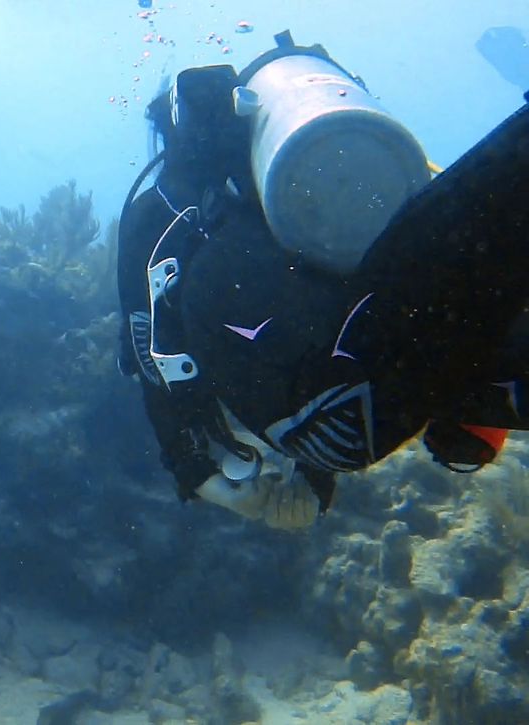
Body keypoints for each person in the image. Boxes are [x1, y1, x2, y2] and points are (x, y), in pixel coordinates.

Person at [116, 31, 529, 529]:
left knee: (360, 411)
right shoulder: (254, 199)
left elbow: (148, 350)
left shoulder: (169, 206)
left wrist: (197, 472)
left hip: (339, 363)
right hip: (372, 308)